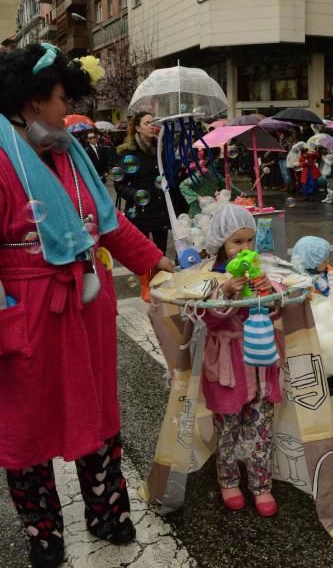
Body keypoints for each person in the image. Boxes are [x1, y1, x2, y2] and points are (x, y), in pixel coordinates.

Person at [0, 43, 174, 568]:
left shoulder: (69, 151)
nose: (69, 110)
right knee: (28, 429)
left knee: (98, 414)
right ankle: (44, 531)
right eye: (60, 98)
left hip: (85, 306)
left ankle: (107, 511)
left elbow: (109, 223)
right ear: (32, 101)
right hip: (28, 311)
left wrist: (155, 263)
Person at [203, 204, 283, 517]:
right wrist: (226, 294)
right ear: (222, 243)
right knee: (227, 429)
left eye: (250, 241)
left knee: (261, 428)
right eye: (237, 242)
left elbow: (276, 311)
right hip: (228, 364)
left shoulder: (262, 272)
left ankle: (262, 485)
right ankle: (228, 480)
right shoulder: (211, 276)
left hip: (260, 361)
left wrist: (269, 294)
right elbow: (208, 319)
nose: (245, 248)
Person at [116, 112, 176, 301]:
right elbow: (120, 184)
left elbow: (170, 177)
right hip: (140, 210)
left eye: (154, 123)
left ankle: (157, 284)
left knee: (159, 249)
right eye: (148, 123)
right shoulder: (129, 154)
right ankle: (144, 286)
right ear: (138, 127)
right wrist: (136, 195)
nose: (152, 126)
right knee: (143, 251)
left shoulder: (161, 150)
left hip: (159, 209)